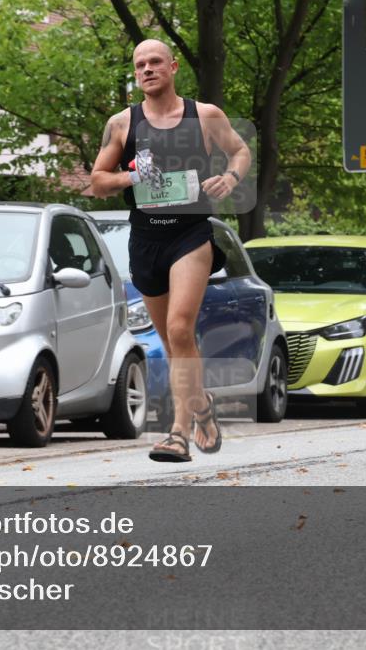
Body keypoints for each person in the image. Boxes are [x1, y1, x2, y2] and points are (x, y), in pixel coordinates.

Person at [90, 39, 251, 461]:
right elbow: (97, 181)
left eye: (155, 61)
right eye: (139, 64)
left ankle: (177, 432)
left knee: (180, 329)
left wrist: (231, 179)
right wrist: (130, 179)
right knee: (172, 339)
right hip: (145, 240)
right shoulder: (122, 124)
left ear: (173, 66)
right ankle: (202, 407)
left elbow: (241, 151)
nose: (147, 69)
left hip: (190, 234)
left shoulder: (205, 116)